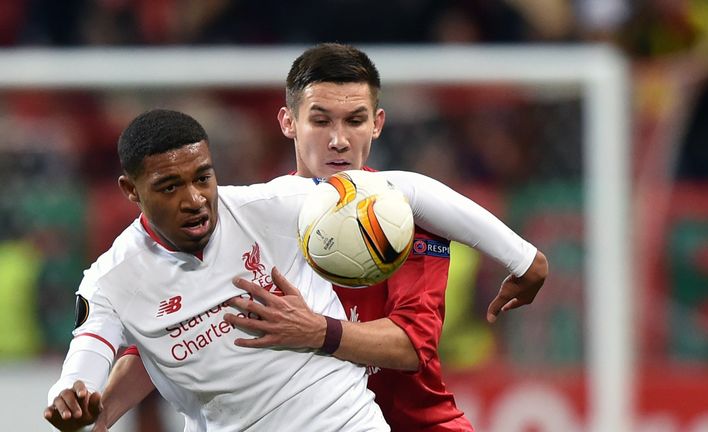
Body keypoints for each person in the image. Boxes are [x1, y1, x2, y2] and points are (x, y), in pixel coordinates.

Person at [77, 43, 548, 431]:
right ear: (288, 123)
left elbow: (409, 349)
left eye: (355, 120)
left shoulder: (408, 222)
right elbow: (171, 340)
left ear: (377, 124)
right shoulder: (256, 219)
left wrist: (316, 332)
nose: (338, 140)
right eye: (320, 120)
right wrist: (97, 414)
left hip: (408, 423)